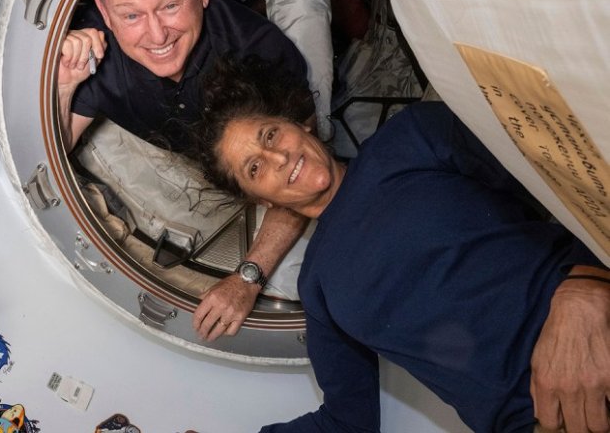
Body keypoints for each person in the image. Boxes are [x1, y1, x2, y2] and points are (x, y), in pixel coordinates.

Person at [193, 55, 610, 433]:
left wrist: (586, 286)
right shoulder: (317, 287)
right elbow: (347, 423)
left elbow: (567, 175)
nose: (278, 158)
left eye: (270, 136)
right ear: (262, 201)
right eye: (255, 167)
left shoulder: (410, 138)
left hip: (592, 327)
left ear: (298, 123)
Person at [57, 0, 315, 340]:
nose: (157, 34)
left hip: (257, 174)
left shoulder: (260, 52)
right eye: (130, 15)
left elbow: (305, 172)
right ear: (105, 13)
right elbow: (57, 147)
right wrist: (64, 84)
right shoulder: (95, 50)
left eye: (170, 5)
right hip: (173, 159)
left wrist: (249, 276)